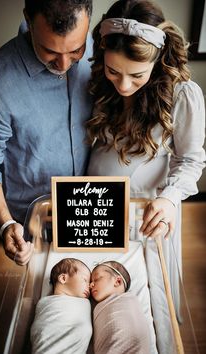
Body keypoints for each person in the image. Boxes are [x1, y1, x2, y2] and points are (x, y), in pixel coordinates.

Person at [86, 0, 205, 315]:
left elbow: (191, 160)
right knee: (94, 288)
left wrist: (169, 199)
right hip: (95, 206)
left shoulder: (182, 95)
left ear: (158, 60)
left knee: (142, 301)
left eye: (137, 75)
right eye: (114, 71)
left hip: (148, 211)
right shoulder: (99, 82)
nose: (124, 85)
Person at [0, 0, 93, 264]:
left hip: (93, 213)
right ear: (28, 20)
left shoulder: (100, 49)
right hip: (33, 224)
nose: (63, 64)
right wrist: (5, 223)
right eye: (49, 51)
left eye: (76, 50)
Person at [30, 257, 92, 353]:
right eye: (85, 280)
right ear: (63, 278)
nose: (89, 286)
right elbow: (41, 328)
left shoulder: (84, 303)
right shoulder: (44, 303)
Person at [90, 261, 151, 354]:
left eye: (97, 279)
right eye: (91, 282)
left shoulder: (129, 301)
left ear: (117, 281)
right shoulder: (96, 306)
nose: (91, 285)